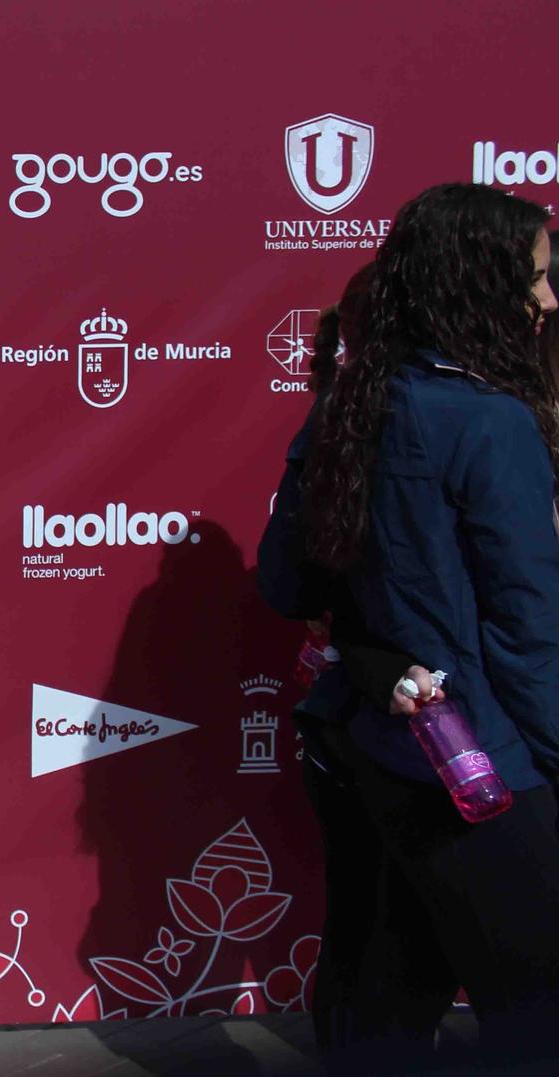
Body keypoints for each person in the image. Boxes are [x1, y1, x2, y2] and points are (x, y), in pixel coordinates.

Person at [295, 182, 559, 1067]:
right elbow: (529, 633)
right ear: (474, 282)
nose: (549, 300)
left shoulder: (347, 408)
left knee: (390, 1007)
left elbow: (286, 579)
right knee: (535, 1013)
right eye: (535, 277)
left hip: (378, 752)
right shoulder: (490, 421)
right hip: (483, 764)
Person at [258, 264, 457, 1068]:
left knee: (406, 938)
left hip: (448, 718)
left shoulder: (486, 422)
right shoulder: (339, 434)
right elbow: (289, 580)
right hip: (388, 725)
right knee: (377, 932)